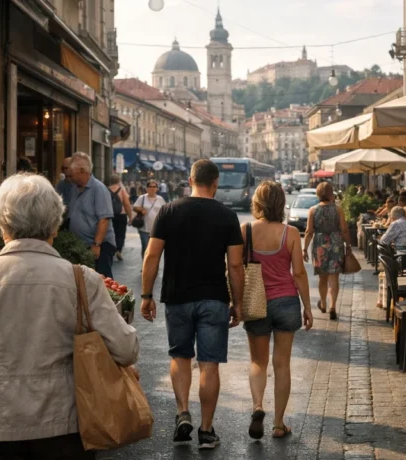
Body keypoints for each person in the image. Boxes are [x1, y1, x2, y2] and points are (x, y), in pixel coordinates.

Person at [0, 174, 138, 460]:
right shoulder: (81, 279)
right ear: (54, 225)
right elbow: (126, 350)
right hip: (64, 427)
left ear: (2, 225)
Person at [139, 159, 244, 450]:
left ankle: (182, 412)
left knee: (180, 357)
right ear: (215, 183)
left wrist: (146, 295)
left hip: (177, 296)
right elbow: (235, 266)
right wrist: (238, 303)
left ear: (190, 180)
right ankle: (206, 431)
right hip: (213, 298)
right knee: (209, 365)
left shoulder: (168, 211)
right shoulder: (227, 216)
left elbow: (151, 256)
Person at [242, 182, 314, 440]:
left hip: (256, 303)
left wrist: (236, 304)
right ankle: (278, 424)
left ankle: (258, 405)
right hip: (286, 301)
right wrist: (307, 306)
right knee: (282, 364)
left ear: (257, 202)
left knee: (257, 362)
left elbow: (236, 269)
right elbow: (299, 273)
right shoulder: (291, 233)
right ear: (281, 203)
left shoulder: (245, 231)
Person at [304, 182, 350, 321]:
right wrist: (348, 245)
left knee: (322, 277)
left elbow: (309, 231)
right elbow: (344, 229)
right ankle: (333, 307)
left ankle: (323, 303)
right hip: (336, 243)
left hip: (319, 245)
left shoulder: (312, 210)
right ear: (331, 194)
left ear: (318, 194)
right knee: (334, 277)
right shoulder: (338, 210)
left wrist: (304, 249)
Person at [67, 152, 117, 278]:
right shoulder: (74, 188)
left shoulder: (98, 189)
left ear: (82, 171)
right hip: (83, 245)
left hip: (100, 246)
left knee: (102, 281)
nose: (69, 175)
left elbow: (104, 219)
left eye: (71, 172)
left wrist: (97, 244)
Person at [133, 179, 167, 260]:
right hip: (144, 228)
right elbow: (134, 207)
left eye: (154, 187)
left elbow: (165, 210)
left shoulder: (160, 199)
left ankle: (152, 265)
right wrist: (141, 210)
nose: (152, 188)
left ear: (157, 188)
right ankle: (144, 265)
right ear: (147, 188)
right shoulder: (142, 198)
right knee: (145, 247)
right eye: (150, 187)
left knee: (155, 249)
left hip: (156, 228)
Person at [108, 174, 134, 261]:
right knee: (121, 234)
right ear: (119, 180)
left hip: (109, 215)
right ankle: (118, 250)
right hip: (121, 215)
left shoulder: (105, 189)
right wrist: (130, 217)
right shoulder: (122, 190)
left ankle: (111, 250)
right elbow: (126, 204)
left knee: (111, 233)